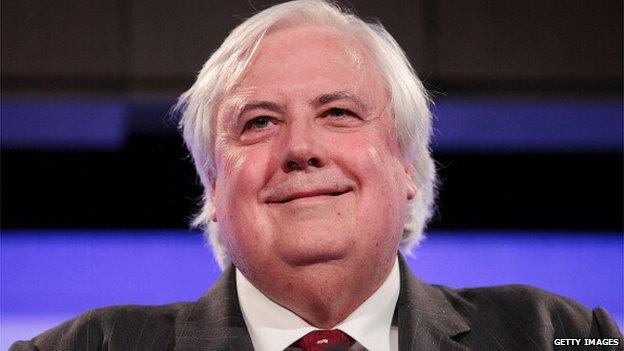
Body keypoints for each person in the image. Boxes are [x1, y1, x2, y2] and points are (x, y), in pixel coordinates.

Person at [10, 1, 622, 350]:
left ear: (406, 165)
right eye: (258, 122)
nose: (300, 148)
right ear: (214, 187)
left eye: (337, 113)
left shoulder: (563, 338)